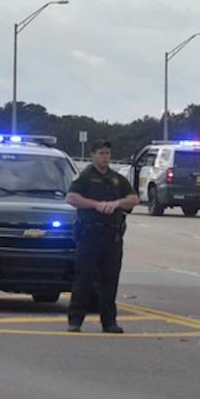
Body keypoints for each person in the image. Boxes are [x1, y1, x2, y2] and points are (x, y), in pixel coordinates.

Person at [65, 139, 137, 332]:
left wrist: (117, 203)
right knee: (84, 279)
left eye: (107, 153)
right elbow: (71, 198)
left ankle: (109, 321)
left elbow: (133, 198)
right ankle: (75, 320)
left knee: (109, 280)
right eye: (101, 153)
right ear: (93, 155)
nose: (105, 157)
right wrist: (96, 204)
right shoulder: (85, 176)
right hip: (90, 234)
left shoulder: (116, 178)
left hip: (111, 235)